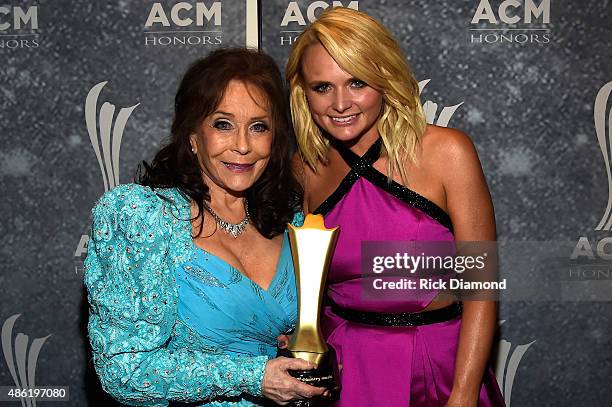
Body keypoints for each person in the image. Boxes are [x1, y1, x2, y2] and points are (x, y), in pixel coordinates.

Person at [284, 7, 506, 407]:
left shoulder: (446, 152)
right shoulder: (305, 169)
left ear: (385, 78)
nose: (340, 103)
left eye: (357, 82)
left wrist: (464, 392)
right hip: (346, 368)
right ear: (303, 92)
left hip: (439, 362)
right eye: (322, 87)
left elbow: (481, 287)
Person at [84, 48, 327, 406]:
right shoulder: (143, 217)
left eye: (258, 127)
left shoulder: (289, 221)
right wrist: (253, 376)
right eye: (223, 124)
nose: (242, 145)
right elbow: (125, 369)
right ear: (193, 136)